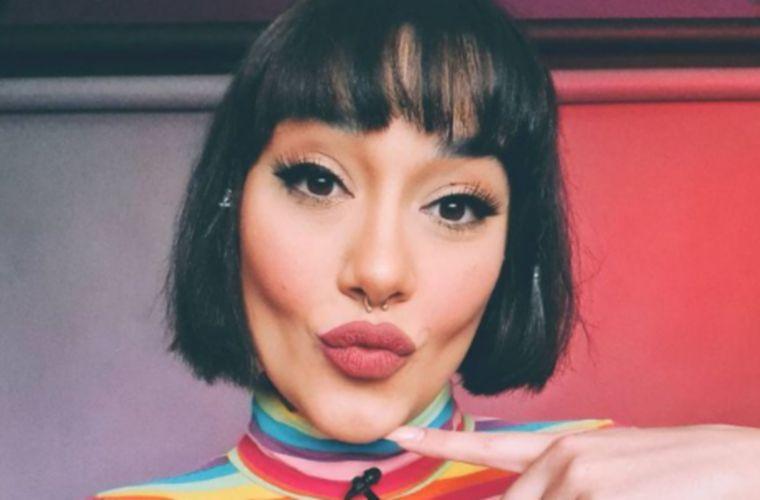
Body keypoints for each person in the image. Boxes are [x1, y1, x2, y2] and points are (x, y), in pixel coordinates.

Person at [94, 0, 760, 498]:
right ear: (230, 207)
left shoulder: (607, 480)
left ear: (513, 249)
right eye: (319, 182)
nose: (379, 271)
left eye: (454, 207)